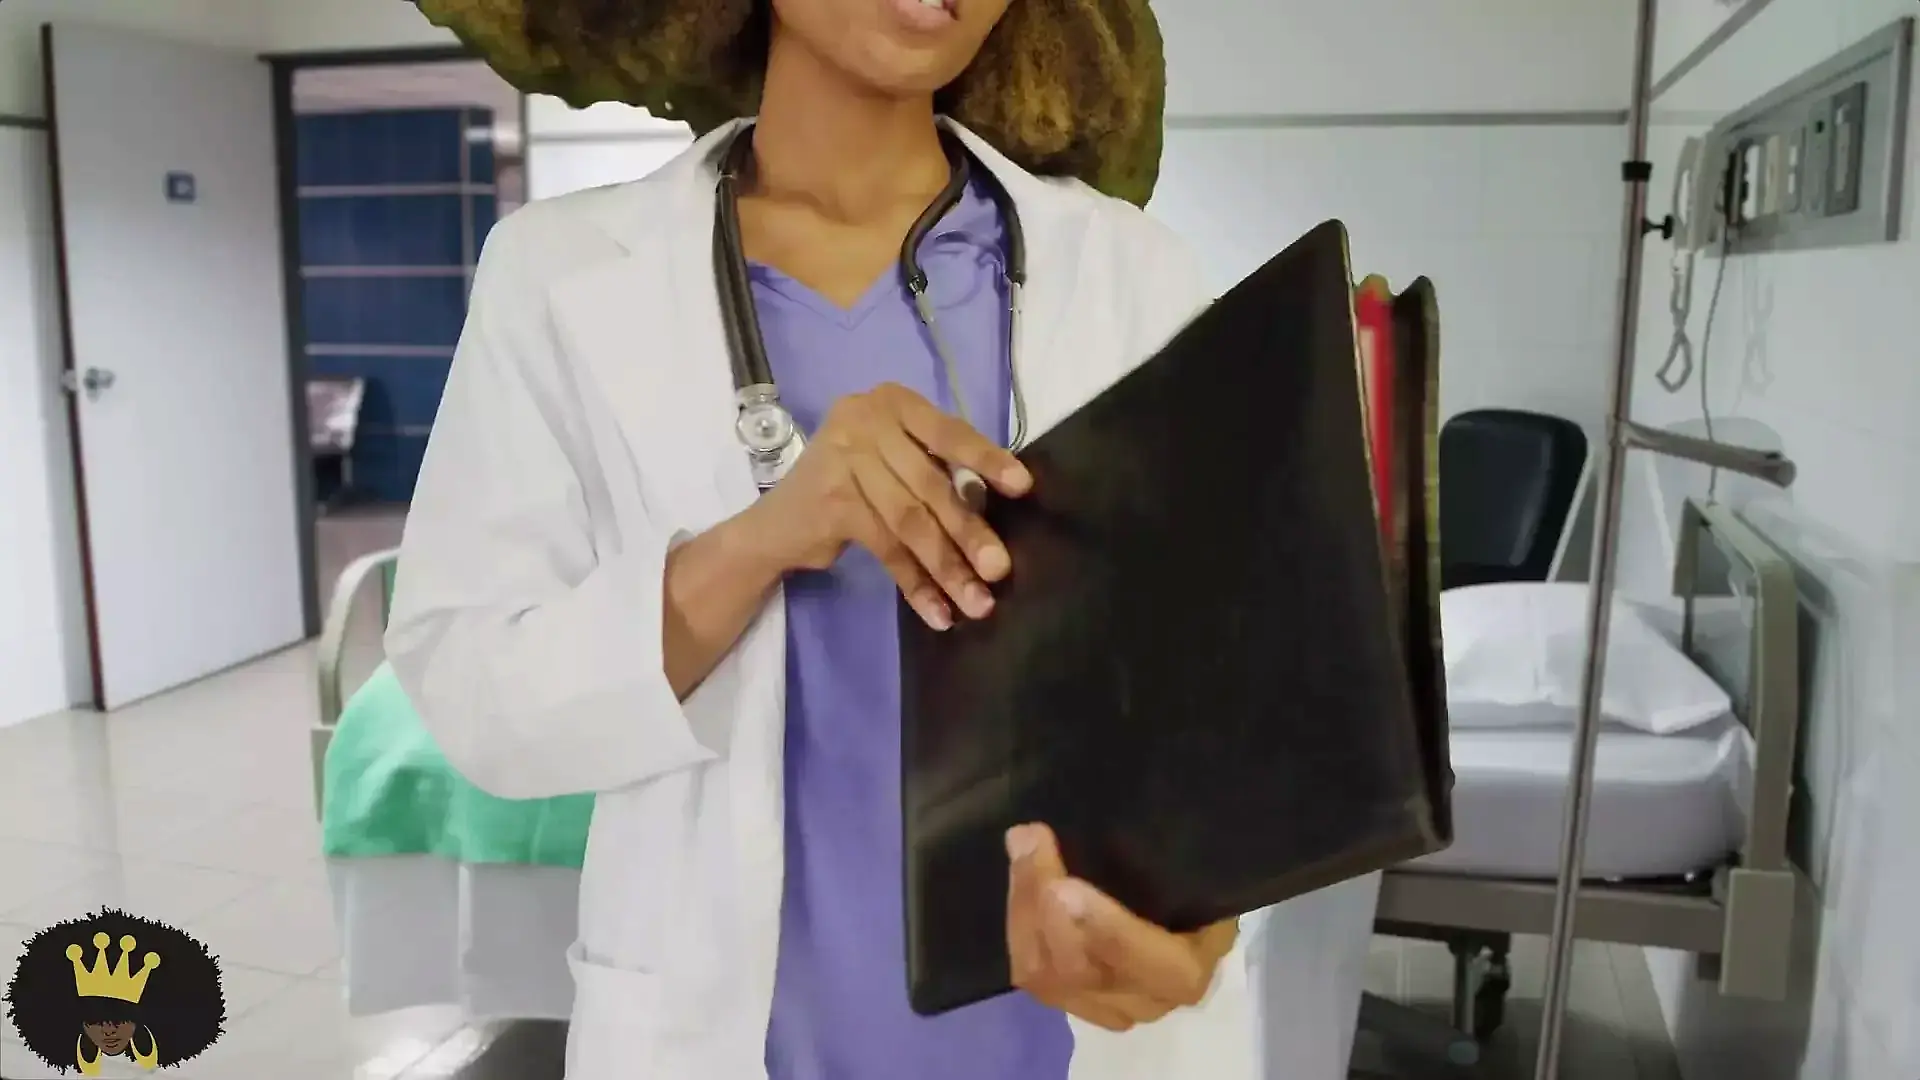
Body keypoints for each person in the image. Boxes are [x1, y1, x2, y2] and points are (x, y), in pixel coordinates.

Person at [389, 0, 1373, 1077]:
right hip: (733, 1041)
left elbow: (1223, 697)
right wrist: (766, 538)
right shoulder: (559, 276)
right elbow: (476, 690)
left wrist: (1200, 931)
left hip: (1064, 1046)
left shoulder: (1132, 274)